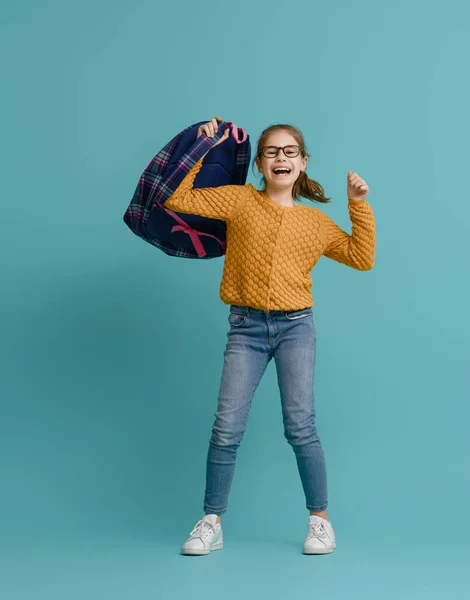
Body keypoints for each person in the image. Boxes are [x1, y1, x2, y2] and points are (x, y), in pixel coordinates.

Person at [163, 116, 376, 556]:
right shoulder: (239, 201)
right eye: (272, 152)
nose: (281, 158)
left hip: (297, 328)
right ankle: (211, 521)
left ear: (302, 163)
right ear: (260, 163)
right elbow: (178, 197)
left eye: (289, 152)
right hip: (246, 329)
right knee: (226, 428)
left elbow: (361, 256)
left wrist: (358, 203)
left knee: (301, 426)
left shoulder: (315, 224)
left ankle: (320, 520)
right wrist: (203, 147)